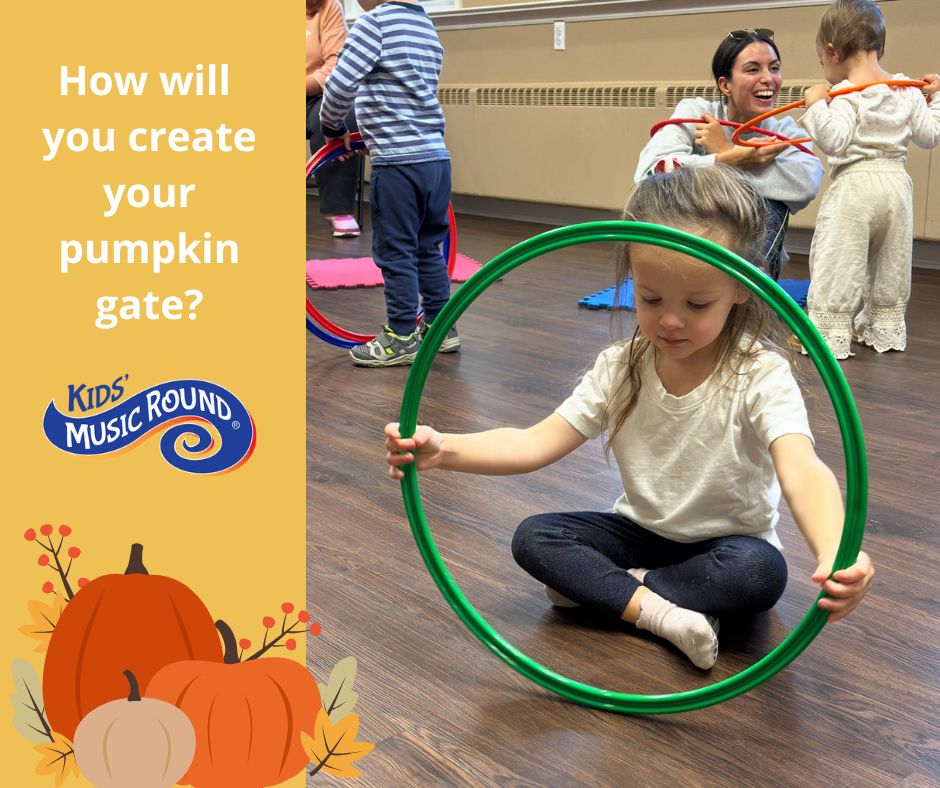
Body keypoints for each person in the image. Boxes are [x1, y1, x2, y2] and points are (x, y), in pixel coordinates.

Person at [384, 166, 873, 671]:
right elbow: (534, 443)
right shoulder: (622, 366)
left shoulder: (760, 374)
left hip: (727, 543)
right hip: (640, 533)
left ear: (745, 287)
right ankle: (662, 612)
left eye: (697, 303)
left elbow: (802, 470)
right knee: (536, 536)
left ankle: (618, 593)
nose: (670, 320)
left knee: (760, 574)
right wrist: (444, 450)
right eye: (650, 298)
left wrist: (835, 550)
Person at [320, 0, 458, 366]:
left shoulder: (373, 24)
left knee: (395, 252)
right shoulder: (425, 25)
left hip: (397, 164)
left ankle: (400, 336)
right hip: (436, 159)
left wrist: (332, 127)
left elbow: (338, 87)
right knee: (429, 247)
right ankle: (441, 328)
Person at [800, 0, 940, 359]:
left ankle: (828, 334)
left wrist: (816, 103)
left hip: (855, 188)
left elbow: (833, 140)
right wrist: (936, 97)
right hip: (897, 187)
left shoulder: (846, 94)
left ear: (832, 52)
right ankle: (882, 326)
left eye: (821, 61)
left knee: (839, 260)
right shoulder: (907, 90)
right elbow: (929, 135)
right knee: (890, 262)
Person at [635, 29, 824, 280]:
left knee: (772, 203)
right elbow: (649, 174)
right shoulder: (697, 113)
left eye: (774, 68)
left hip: (750, 264)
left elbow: (806, 183)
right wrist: (728, 159)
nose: (768, 78)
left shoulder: (784, 131)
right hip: (687, 254)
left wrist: (726, 150)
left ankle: (747, 295)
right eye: (753, 69)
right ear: (725, 84)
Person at [306, 0, 362, 238]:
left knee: (341, 116)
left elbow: (335, 65)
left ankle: (339, 210)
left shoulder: (329, 7)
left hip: (318, 93)